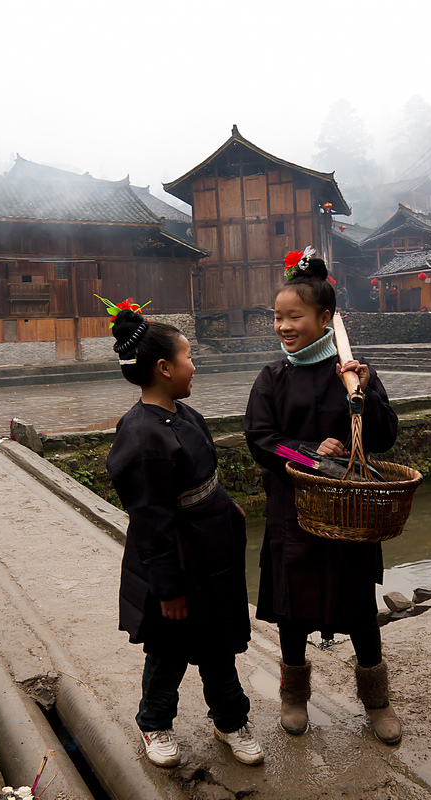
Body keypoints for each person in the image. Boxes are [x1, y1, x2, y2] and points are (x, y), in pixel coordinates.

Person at [244, 250, 401, 746]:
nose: (283, 327)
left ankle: (377, 701)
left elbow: (383, 437)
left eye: (294, 317)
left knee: (359, 609)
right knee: (293, 611)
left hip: (350, 516)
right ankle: (295, 697)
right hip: (292, 515)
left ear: (326, 319)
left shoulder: (351, 374)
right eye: (278, 317)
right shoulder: (272, 378)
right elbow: (262, 440)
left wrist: (367, 391)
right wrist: (313, 455)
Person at [106, 302, 264, 768]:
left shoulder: (184, 414)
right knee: (169, 649)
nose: (194, 364)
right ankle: (155, 724)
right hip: (173, 560)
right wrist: (168, 589)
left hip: (210, 550)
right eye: (188, 356)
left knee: (218, 643)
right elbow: (151, 521)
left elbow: (204, 474)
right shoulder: (141, 437)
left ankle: (230, 720)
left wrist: (224, 504)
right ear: (163, 367)